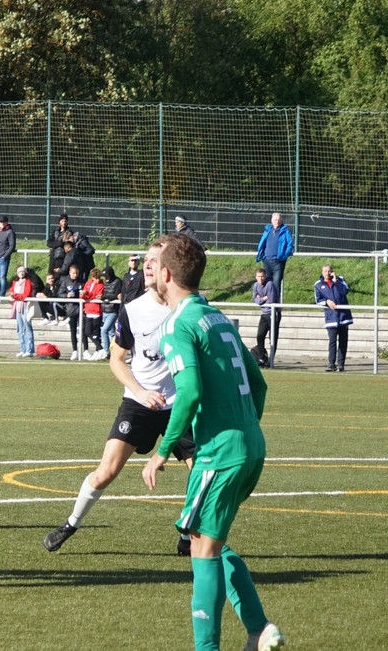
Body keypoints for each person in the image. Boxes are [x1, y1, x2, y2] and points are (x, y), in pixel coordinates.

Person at [140, 233, 284, 651]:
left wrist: (162, 451)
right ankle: (258, 629)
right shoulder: (217, 317)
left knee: (201, 551)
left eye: (155, 264)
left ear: (167, 275)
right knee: (208, 540)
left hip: (219, 453)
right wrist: (243, 429)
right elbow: (259, 385)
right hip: (250, 446)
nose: (150, 270)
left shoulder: (177, 325)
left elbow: (188, 393)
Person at [43, 242, 195, 555]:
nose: (148, 265)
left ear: (169, 268)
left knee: (201, 471)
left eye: (155, 260)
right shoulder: (134, 310)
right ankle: (71, 522)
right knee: (107, 471)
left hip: (180, 403)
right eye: (147, 260)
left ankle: (187, 529)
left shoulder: (190, 307)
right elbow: (116, 359)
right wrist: (140, 392)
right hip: (139, 403)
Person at [315, 264, 353, 372]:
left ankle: (341, 364)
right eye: (325, 271)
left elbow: (344, 291)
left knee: (343, 342)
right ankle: (331, 364)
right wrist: (327, 301)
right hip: (331, 318)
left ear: (332, 272)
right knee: (332, 342)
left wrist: (336, 281)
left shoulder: (340, 280)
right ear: (322, 272)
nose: (327, 273)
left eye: (329, 271)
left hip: (343, 317)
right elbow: (318, 300)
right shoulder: (318, 284)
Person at [255, 212, 293, 303]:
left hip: (278, 262)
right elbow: (262, 243)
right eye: (275, 219)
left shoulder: (285, 231)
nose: (277, 221)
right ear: (272, 220)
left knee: (276, 285)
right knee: (267, 283)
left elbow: (290, 245)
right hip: (267, 261)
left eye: (279, 219)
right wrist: (262, 256)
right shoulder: (267, 230)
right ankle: (267, 305)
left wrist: (283, 256)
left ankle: (276, 306)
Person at [251, 269, 276, 368]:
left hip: (272, 313)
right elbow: (254, 299)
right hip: (264, 314)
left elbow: (271, 300)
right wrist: (263, 298)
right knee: (260, 336)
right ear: (256, 277)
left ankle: (271, 361)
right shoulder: (255, 285)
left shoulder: (270, 284)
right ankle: (262, 358)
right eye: (258, 276)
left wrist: (260, 299)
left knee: (272, 338)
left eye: (262, 276)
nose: (260, 278)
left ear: (265, 276)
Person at [58, 265, 83, 360]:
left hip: (81, 309)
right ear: (69, 272)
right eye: (73, 273)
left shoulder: (82, 281)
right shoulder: (65, 281)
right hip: (70, 310)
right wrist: (66, 295)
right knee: (73, 332)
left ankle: (85, 351)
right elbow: (59, 294)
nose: (75, 275)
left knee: (83, 331)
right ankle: (75, 350)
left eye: (76, 273)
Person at [8, 266, 35, 358]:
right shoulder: (15, 282)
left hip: (25, 305)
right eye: (19, 272)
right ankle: (22, 349)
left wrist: (15, 296)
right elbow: (11, 292)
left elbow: (26, 294)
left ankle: (29, 350)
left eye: (23, 271)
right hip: (17, 306)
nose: (21, 273)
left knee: (27, 327)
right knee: (20, 329)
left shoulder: (28, 282)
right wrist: (12, 295)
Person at [81, 267, 104, 360]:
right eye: (95, 278)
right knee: (87, 331)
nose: (97, 280)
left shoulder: (101, 285)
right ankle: (100, 348)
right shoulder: (88, 283)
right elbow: (83, 295)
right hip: (88, 310)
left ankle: (98, 350)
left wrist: (88, 294)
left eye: (98, 278)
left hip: (96, 311)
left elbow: (97, 295)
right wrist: (83, 294)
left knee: (96, 332)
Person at [99, 266, 123, 356]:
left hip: (113, 310)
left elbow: (116, 295)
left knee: (104, 330)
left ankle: (106, 351)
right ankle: (114, 351)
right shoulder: (105, 283)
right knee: (111, 332)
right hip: (105, 309)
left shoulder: (118, 282)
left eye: (107, 275)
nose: (105, 278)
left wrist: (105, 297)